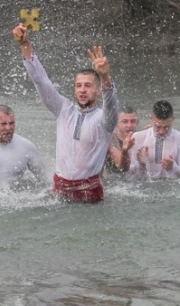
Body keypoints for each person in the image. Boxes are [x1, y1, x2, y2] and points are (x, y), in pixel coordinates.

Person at [12, 23, 119, 203]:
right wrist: (25, 45)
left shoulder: (104, 120)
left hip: (89, 194)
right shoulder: (63, 109)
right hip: (59, 191)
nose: (82, 90)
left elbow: (112, 105)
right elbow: (41, 81)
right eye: (78, 86)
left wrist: (106, 78)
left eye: (88, 85)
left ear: (98, 90)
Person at [128, 101, 180, 179]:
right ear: (151, 118)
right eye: (158, 127)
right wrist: (141, 164)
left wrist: (174, 168)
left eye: (166, 127)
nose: (161, 132)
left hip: (173, 187)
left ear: (173, 119)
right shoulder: (138, 137)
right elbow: (127, 174)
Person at [105, 106, 138, 173]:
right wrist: (125, 151)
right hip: (115, 180)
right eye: (125, 121)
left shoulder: (143, 137)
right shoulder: (110, 140)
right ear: (116, 123)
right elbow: (123, 168)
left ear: (137, 122)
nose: (129, 125)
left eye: (133, 121)